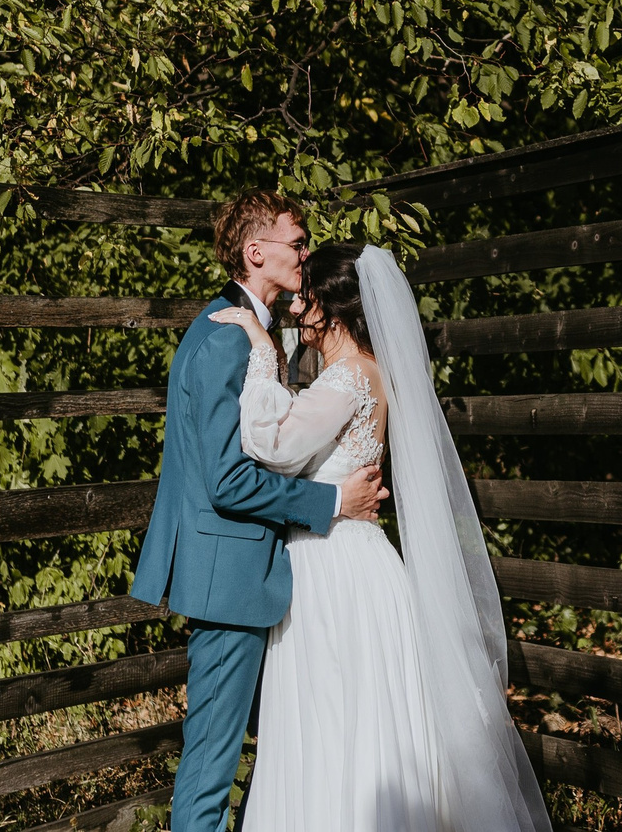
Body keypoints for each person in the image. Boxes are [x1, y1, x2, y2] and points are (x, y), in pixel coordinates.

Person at [208, 240, 554, 832]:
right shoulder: (368, 373)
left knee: (331, 721)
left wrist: (262, 351)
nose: (295, 309)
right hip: (358, 560)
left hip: (333, 570)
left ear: (332, 310)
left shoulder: (346, 379)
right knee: (358, 718)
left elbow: (271, 444)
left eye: (306, 300)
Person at [130, 191, 388, 832]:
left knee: (286, 753)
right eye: (296, 243)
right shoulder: (229, 337)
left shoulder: (254, 331)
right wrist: (333, 500)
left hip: (255, 580)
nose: (305, 253)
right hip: (230, 582)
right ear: (255, 252)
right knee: (209, 775)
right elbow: (226, 480)